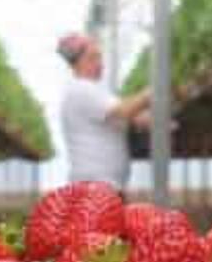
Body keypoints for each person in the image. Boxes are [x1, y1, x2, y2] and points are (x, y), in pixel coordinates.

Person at [58, 33, 152, 190]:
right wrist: (153, 90)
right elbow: (124, 111)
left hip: (104, 187)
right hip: (94, 189)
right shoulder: (81, 89)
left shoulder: (96, 92)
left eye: (100, 58)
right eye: (93, 58)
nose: (100, 64)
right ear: (77, 62)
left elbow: (135, 118)